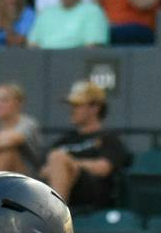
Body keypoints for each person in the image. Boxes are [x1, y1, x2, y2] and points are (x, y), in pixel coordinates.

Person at [41, 79, 128, 211]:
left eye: (77, 105)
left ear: (95, 108)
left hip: (90, 195)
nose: (72, 110)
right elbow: (42, 170)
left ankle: (55, 217)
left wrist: (69, 164)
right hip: (55, 188)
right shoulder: (63, 141)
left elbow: (103, 167)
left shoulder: (109, 139)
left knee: (59, 158)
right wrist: (61, 167)